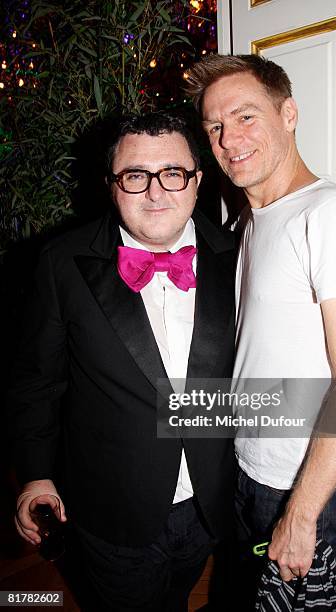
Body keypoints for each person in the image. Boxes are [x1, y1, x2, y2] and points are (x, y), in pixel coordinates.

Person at [9, 112, 237, 611]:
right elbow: (36, 384)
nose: (156, 193)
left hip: (208, 505)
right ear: (112, 186)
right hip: (111, 513)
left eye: (173, 173)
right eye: (135, 176)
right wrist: (36, 475)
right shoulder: (61, 262)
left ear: (198, 181)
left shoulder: (238, 253)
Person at [186, 54, 336, 604]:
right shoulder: (249, 221)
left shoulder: (331, 217)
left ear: (289, 113)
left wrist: (301, 512)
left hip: (305, 488)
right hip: (251, 469)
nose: (230, 139)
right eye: (216, 127)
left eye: (246, 116)